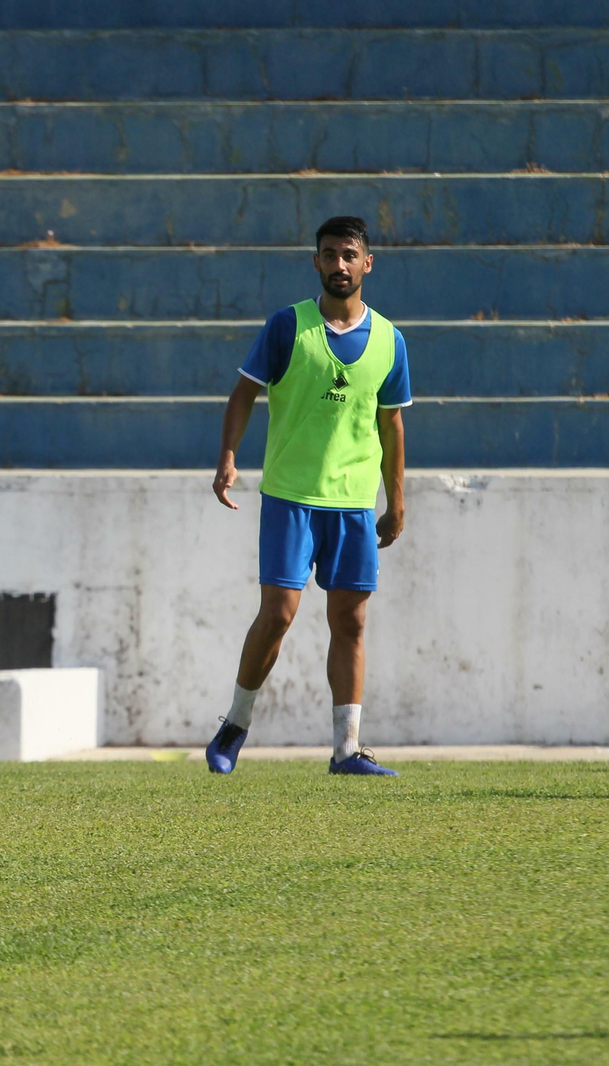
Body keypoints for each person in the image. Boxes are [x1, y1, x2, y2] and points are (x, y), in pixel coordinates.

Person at [207, 215, 410, 777]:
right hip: (291, 497)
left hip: (351, 502)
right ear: (315, 262)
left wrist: (396, 501)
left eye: (349, 254)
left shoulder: (391, 340)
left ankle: (347, 749)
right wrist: (228, 457)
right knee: (279, 613)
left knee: (350, 622)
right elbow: (243, 393)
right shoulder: (287, 326)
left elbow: (390, 425)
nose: (339, 264)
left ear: (367, 263)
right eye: (328, 254)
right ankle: (235, 725)